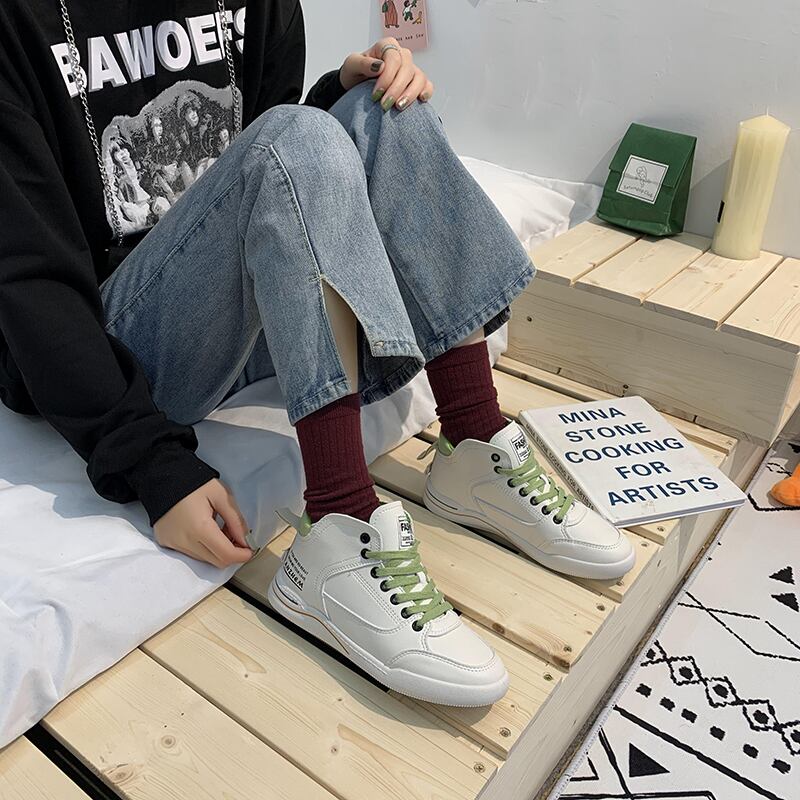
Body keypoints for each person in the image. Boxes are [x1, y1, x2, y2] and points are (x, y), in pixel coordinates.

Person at [0, 0, 634, 707]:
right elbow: (27, 277)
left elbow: (257, 168)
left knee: (384, 107)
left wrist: (337, 95)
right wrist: (149, 461)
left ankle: (473, 439)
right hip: (115, 343)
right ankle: (338, 523)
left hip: (245, 311)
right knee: (300, 135)